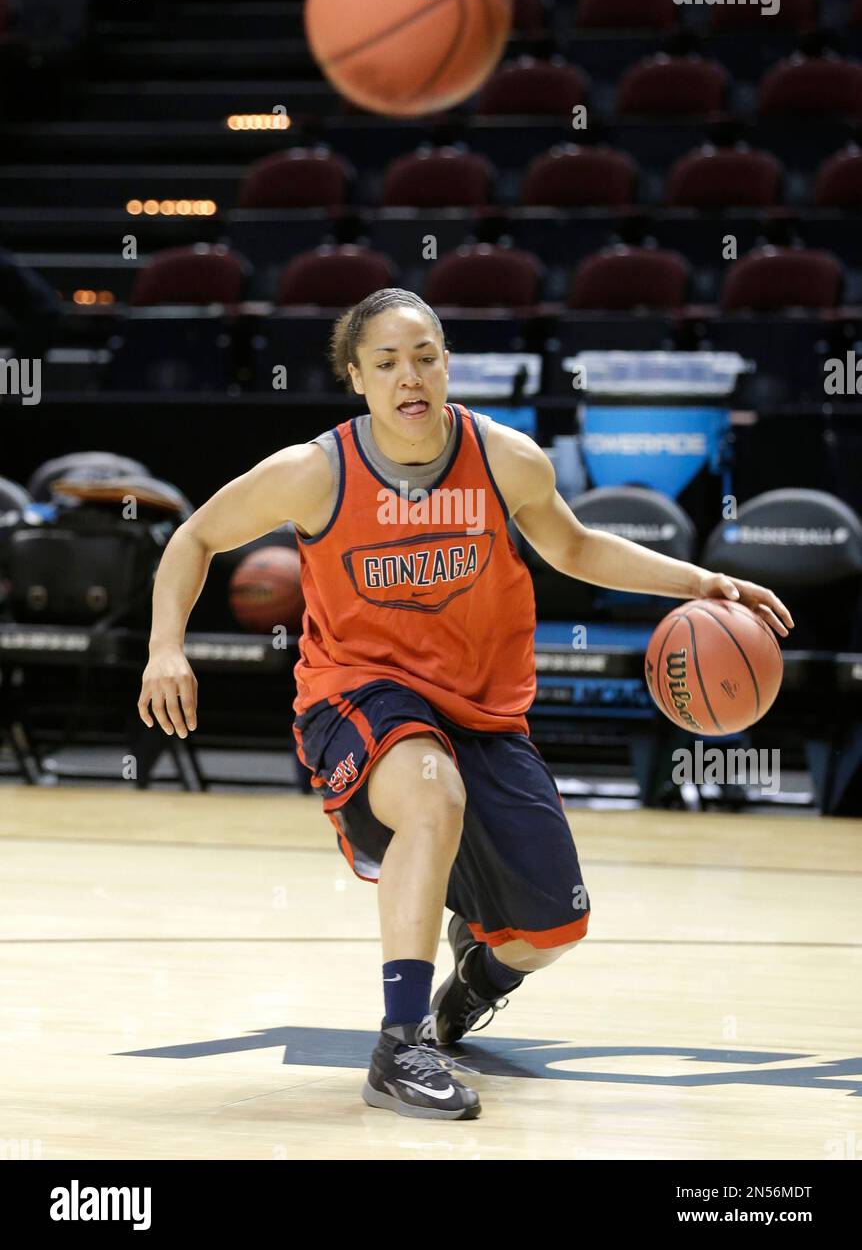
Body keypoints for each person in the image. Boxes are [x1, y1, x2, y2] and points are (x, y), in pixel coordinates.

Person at [138, 288, 794, 1122]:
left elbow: (576, 546)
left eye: (425, 356)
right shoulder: (316, 472)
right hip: (358, 699)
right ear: (357, 379)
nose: (409, 375)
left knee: (549, 934)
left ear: (447, 363)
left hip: (482, 715)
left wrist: (701, 581)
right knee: (429, 788)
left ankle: (473, 976)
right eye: (387, 363)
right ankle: (399, 1045)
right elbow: (192, 536)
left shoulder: (506, 458)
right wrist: (166, 647)